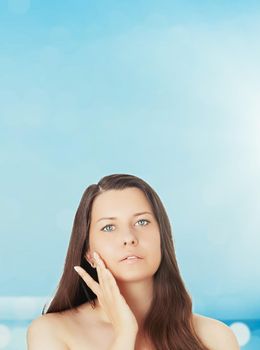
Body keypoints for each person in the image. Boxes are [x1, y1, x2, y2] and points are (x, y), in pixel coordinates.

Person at [26, 173, 240, 350]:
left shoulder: (215, 338)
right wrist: (125, 332)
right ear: (88, 252)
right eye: (109, 227)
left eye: (142, 221)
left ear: (162, 239)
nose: (128, 237)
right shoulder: (52, 332)